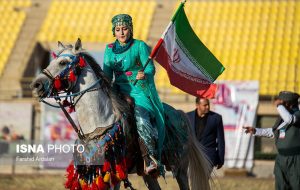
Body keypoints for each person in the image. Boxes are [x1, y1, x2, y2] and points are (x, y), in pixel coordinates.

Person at [102, 14, 165, 176]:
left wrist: (144, 73)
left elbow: (151, 68)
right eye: (118, 30)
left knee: (141, 119)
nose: (121, 33)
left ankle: (150, 159)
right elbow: (107, 76)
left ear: (130, 29)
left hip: (138, 90)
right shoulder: (109, 49)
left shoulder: (140, 46)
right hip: (118, 91)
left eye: (124, 29)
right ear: (113, 32)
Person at [243, 91, 300, 190]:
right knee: (280, 186)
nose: (279, 103)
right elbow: (274, 132)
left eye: (281, 101)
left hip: (295, 160)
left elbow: (290, 119)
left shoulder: (297, 113)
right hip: (281, 159)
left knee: (296, 185)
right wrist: (256, 130)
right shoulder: (282, 116)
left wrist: (279, 106)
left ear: (288, 103)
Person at [187, 97, 225, 171]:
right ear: (197, 105)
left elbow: (221, 141)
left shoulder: (216, 118)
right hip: (192, 157)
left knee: (203, 180)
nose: (207, 107)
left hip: (209, 157)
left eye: (208, 104)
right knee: (194, 181)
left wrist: (221, 160)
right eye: (205, 105)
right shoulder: (188, 117)